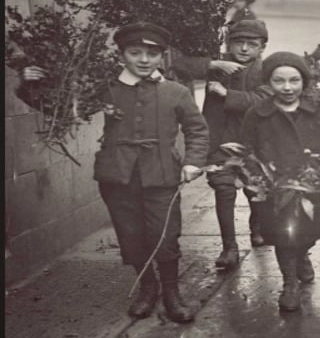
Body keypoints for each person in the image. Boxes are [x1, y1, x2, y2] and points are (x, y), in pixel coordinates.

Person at [16, 22, 210, 323]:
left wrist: (193, 162)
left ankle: (172, 293)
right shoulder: (105, 88)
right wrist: (29, 84)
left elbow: (197, 130)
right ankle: (148, 287)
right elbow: (61, 109)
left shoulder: (177, 92)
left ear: (163, 56)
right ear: (122, 55)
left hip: (161, 175)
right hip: (117, 176)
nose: (144, 60)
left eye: (152, 53)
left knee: (166, 236)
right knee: (131, 235)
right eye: (135, 52)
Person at [240, 51, 320, 311]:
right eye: (279, 81)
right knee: (284, 234)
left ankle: (303, 253)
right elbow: (247, 147)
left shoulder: (318, 110)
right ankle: (289, 283)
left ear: (304, 81)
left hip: (312, 183)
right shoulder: (257, 114)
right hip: (277, 187)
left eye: (294, 80)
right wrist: (255, 174)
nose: (287, 87)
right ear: (268, 83)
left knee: (308, 230)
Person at [171, 20, 271, 269]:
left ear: (262, 47)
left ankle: (257, 227)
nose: (245, 49)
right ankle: (229, 247)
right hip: (220, 142)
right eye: (239, 43)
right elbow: (178, 65)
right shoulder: (219, 66)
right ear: (229, 44)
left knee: (255, 191)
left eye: (252, 44)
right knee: (224, 191)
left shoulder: (268, 70)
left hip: (254, 146)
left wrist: (228, 95)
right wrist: (214, 64)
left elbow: (264, 101)